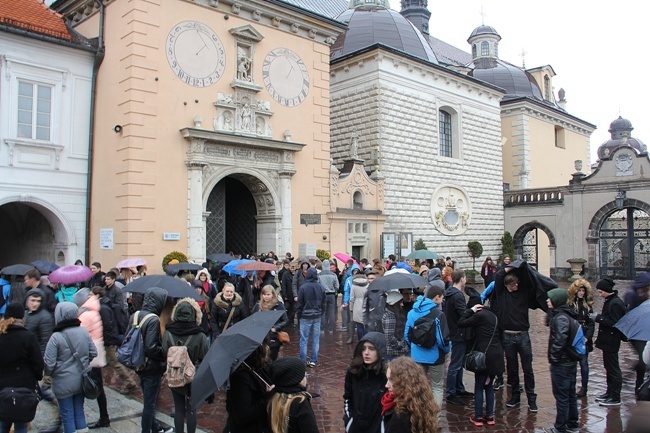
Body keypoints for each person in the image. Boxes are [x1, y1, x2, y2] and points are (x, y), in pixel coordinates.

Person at [44, 302, 97, 433]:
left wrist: (52, 373)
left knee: (67, 415)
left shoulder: (56, 337)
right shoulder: (84, 331)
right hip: (80, 381)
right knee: (79, 411)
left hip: (62, 383)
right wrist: (84, 364)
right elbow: (93, 352)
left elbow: (49, 365)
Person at [127, 287, 173, 433]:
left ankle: (155, 427)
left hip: (138, 363)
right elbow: (151, 347)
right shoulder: (153, 319)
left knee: (149, 399)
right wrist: (164, 354)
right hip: (151, 366)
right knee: (149, 404)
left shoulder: (136, 314)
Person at [162, 298, 209, 433]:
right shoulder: (199, 335)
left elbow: (165, 351)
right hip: (193, 375)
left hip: (174, 374)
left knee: (178, 408)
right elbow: (205, 356)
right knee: (191, 409)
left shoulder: (169, 332)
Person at [494, 270, 538, 412]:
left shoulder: (523, 292)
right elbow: (499, 276)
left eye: (517, 284)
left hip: (523, 335)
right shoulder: (502, 294)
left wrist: (520, 269)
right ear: (507, 285)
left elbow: (530, 282)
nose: (516, 286)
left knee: (528, 369)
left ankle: (532, 398)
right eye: (513, 285)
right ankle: (515, 396)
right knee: (512, 369)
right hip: (508, 336)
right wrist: (508, 268)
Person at [458, 299, 504, 427]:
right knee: (489, 386)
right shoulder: (493, 316)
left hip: (484, 355)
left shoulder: (479, 315)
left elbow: (461, 322)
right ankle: (490, 416)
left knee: (479, 385)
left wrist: (470, 311)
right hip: (496, 355)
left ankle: (478, 417)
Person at [0, 303, 44, 433]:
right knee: (21, 426)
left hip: (2, 387)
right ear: (22, 318)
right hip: (24, 387)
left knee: (3, 424)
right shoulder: (29, 337)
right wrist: (37, 377)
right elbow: (38, 365)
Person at [404, 285, 450, 408]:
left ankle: (419, 416)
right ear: (436, 297)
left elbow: (407, 335)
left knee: (419, 388)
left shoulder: (411, 313)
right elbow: (441, 339)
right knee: (437, 387)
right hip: (435, 357)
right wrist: (446, 350)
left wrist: (413, 348)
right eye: (441, 297)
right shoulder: (439, 315)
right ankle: (435, 420)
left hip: (417, 356)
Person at [544, 288, 580, 433]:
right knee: (570, 394)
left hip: (562, 364)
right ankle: (573, 424)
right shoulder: (567, 314)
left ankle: (560, 427)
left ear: (556, 300)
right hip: (570, 362)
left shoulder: (561, 318)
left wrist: (554, 357)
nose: (547, 301)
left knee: (562, 397)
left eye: (550, 298)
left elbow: (560, 340)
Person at [343, 333, 387, 433]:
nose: (366, 353)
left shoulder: (385, 375)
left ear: (379, 351)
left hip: (377, 427)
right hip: (356, 427)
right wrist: (349, 421)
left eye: (371, 349)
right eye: (363, 349)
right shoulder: (353, 371)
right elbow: (348, 398)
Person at [382, 356, 439, 433]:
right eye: (387, 379)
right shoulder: (421, 402)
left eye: (391, 380)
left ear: (404, 382)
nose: (386, 385)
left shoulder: (399, 416)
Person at [593, 277, 627, 406]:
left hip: (612, 340)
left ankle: (615, 396)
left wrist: (598, 318)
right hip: (606, 340)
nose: (600, 294)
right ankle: (609, 392)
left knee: (613, 368)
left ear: (608, 290)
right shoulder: (610, 301)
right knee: (608, 367)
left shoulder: (616, 303)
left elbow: (614, 323)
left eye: (601, 292)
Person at [226, 345, 273, 433]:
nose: (268, 347)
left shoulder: (260, 368)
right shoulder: (239, 378)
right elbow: (242, 415)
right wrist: (267, 397)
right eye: (264, 345)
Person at [268, 356, 318, 433]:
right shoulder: (300, 403)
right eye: (304, 376)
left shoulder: (273, 398)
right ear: (295, 380)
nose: (306, 378)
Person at [443, 269, 471, 406]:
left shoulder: (449, 293)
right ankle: (451, 392)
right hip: (458, 332)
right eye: (465, 278)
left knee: (458, 363)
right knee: (455, 364)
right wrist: (472, 310)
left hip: (454, 331)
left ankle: (459, 388)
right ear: (461, 279)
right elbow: (463, 314)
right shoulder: (457, 295)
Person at [567, 279, 595, 398]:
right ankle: (571, 386)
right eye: (579, 290)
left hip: (583, 335)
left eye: (583, 291)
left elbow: (591, 323)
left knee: (584, 363)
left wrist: (588, 337)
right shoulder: (570, 305)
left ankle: (584, 387)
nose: (581, 293)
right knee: (572, 363)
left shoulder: (587, 306)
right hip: (573, 334)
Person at [625, 272, 650, 392]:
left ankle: (638, 381)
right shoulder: (631, 294)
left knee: (643, 358)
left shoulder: (644, 294)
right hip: (634, 332)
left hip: (644, 330)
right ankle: (638, 383)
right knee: (642, 358)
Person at [297, 267, 326, 367]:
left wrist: (299, 315)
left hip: (305, 316)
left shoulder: (303, 288)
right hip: (317, 315)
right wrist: (321, 312)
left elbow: (300, 304)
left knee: (304, 339)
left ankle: (302, 361)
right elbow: (324, 303)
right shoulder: (321, 287)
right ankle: (313, 360)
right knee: (315, 339)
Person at [252, 285, 289, 361]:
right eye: (264, 294)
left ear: (273, 294)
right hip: (261, 338)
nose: (266, 297)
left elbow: (285, 320)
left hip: (273, 338)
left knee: (272, 359)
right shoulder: (258, 305)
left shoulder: (279, 305)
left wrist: (275, 328)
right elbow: (252, 319)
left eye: (268, 294)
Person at [382, 291, 409, 360]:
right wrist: (399, 345)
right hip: (394, 353)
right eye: (400, 303)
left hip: (396, 352)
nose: (402, 305)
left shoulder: (391, 313)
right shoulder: (390, 315)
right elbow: (389, 336)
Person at [318, 259, 339, 334]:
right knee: (331, 312)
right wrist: (334, 291)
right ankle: (330, 329)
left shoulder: (319, 275)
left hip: (323, 295)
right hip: (332, 294)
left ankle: (322, 329)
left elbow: (318, 285)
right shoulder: (333, 275)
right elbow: (337, 286)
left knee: (322, 312)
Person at [349, 271, 369, 344]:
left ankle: (361, 341)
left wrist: (351, 308)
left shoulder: (354, 285)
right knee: (366, 325)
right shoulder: (368, 284)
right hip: (366, 304)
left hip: (357, 305)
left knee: (359, 325)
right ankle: (367, 340)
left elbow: (351, 298)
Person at [281, 261, 298, 327]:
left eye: (293, 268)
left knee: (294, 309)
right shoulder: (285, 274)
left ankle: (291, 321)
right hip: (288, 295)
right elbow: (283, 285)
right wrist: (284, 295)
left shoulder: (297, 274)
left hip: (294, 295)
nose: (292, 269)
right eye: (291, 267)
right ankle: (286, 321)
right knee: (287, 308)